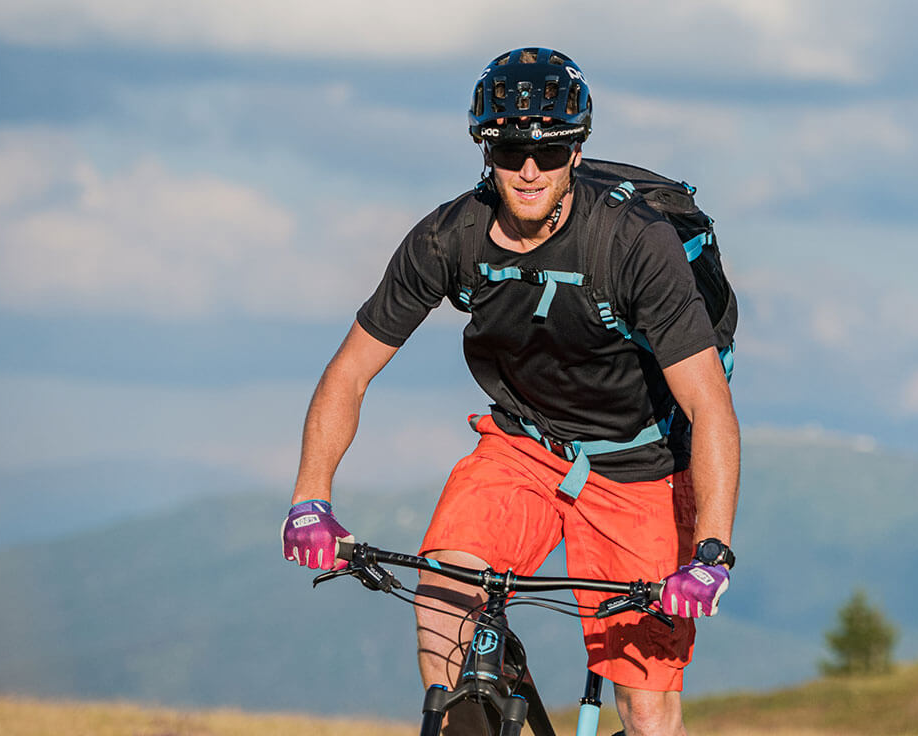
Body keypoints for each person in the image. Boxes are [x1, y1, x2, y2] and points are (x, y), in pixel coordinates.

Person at [281, 47, 740, 736]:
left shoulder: (634, 244)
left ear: (577, 153)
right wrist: (310, 500)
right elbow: (348, 372)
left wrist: (710, 553)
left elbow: (710, 409)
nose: (529, 169)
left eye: (549, 152)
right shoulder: (448, 237)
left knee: (648, 714)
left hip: (637, 467)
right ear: (485, 150)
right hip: (520, 448)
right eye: (510, 149)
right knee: (442, 601)